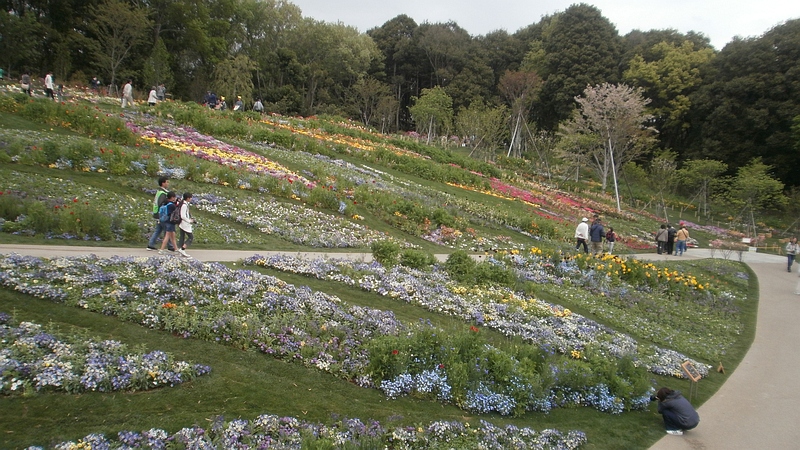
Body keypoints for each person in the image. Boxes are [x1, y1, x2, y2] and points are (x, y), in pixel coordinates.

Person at [147, 176, 174, 251]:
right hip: (161, 214)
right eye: (167, 182)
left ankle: (151, 244)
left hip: (157, 213)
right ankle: (170, 246)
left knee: (158, 230)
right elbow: (161, 203)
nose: (168, 184)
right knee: (167, 229)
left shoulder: (159, 192)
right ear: (163, 183)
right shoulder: (162, 193)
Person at [177, 192, 196, 257]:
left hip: (183, 223)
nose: (191, 199)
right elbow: (183, 216)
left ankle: (180, 250)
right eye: (190, 198)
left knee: (182, 236)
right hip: (185, 223)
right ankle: (182, 249)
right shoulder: (184, 205)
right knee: (190, 237)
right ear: (188, 198)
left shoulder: (184, 204)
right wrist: (189, 221)